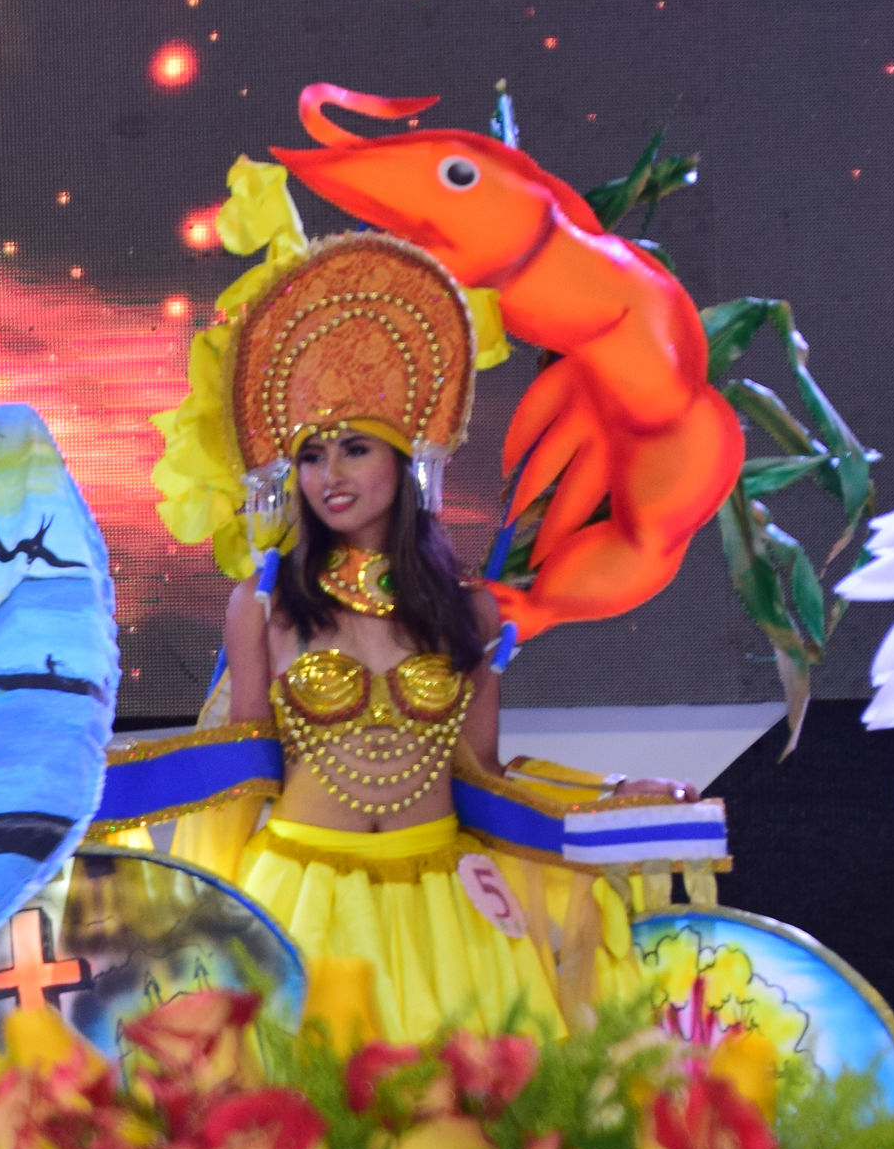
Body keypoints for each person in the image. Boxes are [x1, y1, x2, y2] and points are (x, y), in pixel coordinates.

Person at [101, 232, 683, 1044]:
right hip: (301, 902)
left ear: (407, 461)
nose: (329, 475)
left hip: (443, 906)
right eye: (310, 456)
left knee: (462, 1107)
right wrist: (108, 799)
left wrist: (609, 796)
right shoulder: (263, 606)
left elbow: (482, 776)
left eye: (355, 449)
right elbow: (243, 769)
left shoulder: (469, 613)